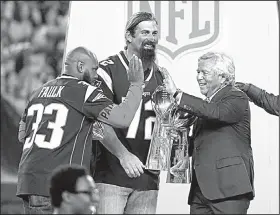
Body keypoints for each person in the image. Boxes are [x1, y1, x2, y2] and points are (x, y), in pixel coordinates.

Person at [16, 46, 145, 214]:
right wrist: (136, 85)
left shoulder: (37, 92)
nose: (96, 75)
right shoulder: (84, 91)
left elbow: (22, 136)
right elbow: (123, 117)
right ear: (79, 67)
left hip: (27, 181)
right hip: (57, 184)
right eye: (94, 69)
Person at [163, 52, 254, 214]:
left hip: (229, 190)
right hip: (201, 191)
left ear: (223, 77)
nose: (198, 77)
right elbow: (204, 137)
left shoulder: (237, 97)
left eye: (204, 72)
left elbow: (216, 113)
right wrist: (184, 153)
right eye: (197, 72)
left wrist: (177, 94)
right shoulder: (207, 104)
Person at [92, 12, 165, 214]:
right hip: (111, 176)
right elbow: (97, 123)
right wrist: (123, 155)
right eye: (145, 32)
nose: (151, 37)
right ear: (129, 36)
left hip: (148, 180)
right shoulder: (107, 70)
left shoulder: (162, 76)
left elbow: (166, 124)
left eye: (154, 33)